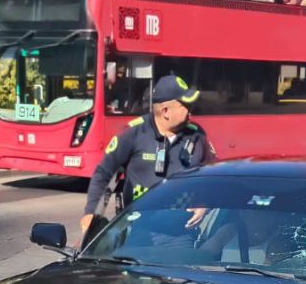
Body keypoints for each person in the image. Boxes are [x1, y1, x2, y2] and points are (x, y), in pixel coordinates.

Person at [82, 75, 216, 245]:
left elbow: (214, 176)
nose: (191, 110)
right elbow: (104, 174)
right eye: (185, 105)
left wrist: (204, 203)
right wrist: (91, 213)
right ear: (165, 111)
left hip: (181, 236)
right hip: (138, 233)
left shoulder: (197, 135)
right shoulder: (133, 133)